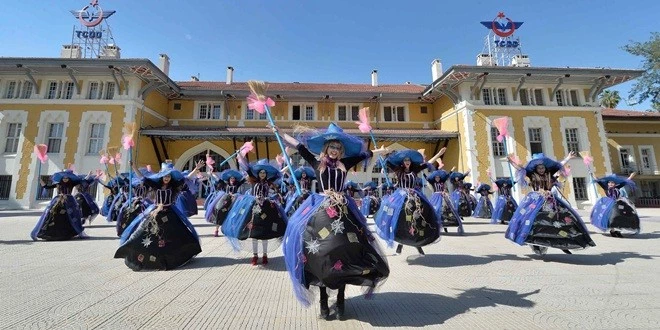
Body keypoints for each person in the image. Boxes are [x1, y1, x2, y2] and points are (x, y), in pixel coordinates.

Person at [277, 123, 390, 320]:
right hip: (321, 207)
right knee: (319, 252)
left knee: (347, 250)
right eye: (332, 147)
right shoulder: (315, 163)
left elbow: (367, 154)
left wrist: (381, 151)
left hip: (342, 206)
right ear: (326, 149)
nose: (335, 151)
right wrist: (280, 133)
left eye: (338, 148)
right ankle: (322, 301)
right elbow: (300, 147)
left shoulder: (345, 163)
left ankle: (340, 300)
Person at [114, 161, 202, 271]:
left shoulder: (173, 186)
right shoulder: (156, 185)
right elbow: (143, 178)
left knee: (178, 233)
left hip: (170, 213)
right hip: (156, 212)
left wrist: (195, 169)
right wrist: (134, 167)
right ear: (161, 176)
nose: (167, 178)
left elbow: (186, 178)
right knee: (143, 232)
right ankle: (136, 253)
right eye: (165, 176)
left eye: (169, 176)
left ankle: (177, 257)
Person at [506, 152, 596, 256]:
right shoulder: (532, 175)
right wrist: (512, 162)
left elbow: (560, 165)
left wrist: (568, 157)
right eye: (539, 168)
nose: (541, 169)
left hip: (550, 200)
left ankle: (563, 243)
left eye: (543, 167)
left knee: (559, 220)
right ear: (536, 168)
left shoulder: (549, 174)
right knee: (535, 222)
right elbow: (520, 169)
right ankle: (535, 242)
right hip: (535, 201)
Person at [376, 148, 444, 256]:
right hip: (401, 196)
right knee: (400, 219)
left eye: (409, 160)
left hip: (415, 195)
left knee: (420, 217)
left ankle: (418, 244)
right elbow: (387, 162)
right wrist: (384, 153)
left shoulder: (414, 170)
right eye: (405, 160)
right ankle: (400, 243)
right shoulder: (398, 170)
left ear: (410, 162)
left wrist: (438, 154)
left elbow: (427, 163)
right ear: (402, 162)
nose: (407, 162)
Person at [222, 158, 286, 266]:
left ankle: (265, 255)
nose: (262, 174)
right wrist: (240, 156)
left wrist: (282, 163)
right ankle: (255, 255)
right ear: (257, 174)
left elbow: (279, 174)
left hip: (266, 207)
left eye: (264, 172)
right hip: (254, 207)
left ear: (266, 174)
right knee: (254, 233)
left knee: (265, 233)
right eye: (260, 172)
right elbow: (247, 169)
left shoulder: (269, 182)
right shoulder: (253, 181)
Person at [31, 170, 85, 241]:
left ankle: (71, 232)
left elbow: (80, 181)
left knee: (72, 215)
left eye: (67, 178)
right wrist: (41, 180)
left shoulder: (71, 184)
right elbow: (47, 187)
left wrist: (77, 175)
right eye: (64, 178)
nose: (65, 179)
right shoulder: (58, 184)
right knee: (52, 214)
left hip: (69, 201)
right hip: (58, 201)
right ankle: (49, 233)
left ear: (69, 178)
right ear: (61, 178)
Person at [590, 172, 640, 237]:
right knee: (611, 218)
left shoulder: (617, 187)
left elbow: (625, 182)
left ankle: (618, 230)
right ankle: (612, 230)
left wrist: (631, 176)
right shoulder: (606, 188)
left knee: (620, 217)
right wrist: (594, 176)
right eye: (609, 183)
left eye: (612, 183)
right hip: (609, 205)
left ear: (615, 184)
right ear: (607, 184)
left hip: (617, 203)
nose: (611, 184)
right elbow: (599, 181)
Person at [205, 169, 245, 237]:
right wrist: (212, 173)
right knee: (220, 212)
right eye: (231, 178)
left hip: (234, 201)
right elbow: (218, 179)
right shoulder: (225, 184)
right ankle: (216, 230)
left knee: (234, 214)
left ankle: (231, 229)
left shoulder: (237, 184)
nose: (232, 179)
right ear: (229, 179)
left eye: (234, 178)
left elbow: (244, 180)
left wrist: (246, 173)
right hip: (225, 201)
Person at [427, 167, 464, 234]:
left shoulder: (442, 182)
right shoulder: (433, 183)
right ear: (434, 178)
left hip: (442, 196)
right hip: (435, 197)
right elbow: (428, 179)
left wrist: (451, 170)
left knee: (447, 208)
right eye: (436, 177)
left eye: (438, 177)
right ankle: (435, 225)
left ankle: (446, 225)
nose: (437, 178)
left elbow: (447, 176)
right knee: (436, 209)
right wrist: (426, 171)